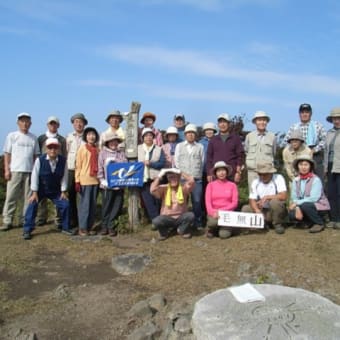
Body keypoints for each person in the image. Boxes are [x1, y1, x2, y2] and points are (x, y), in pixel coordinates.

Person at [22, 138, 75, 240]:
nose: (53, 150)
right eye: (50, 148)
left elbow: (64, 177)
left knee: (65, 204)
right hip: (41, 189)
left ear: (58, 149)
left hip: (55, 191)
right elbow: (34, 176)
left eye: (55, 148)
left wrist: (63, 191)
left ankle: (65, 227)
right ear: (46, 149)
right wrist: (34, 192)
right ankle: (27, 229)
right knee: (32, 204)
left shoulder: (63, 161)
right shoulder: (39, 160)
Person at [1, 113, 40, 231]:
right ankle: (7, 221)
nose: (25, 123)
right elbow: (7, 154)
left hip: (29, 171)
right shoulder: (12, 136)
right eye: (22, 121)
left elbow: (36, 156)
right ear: (18, 123)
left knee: (28, 198)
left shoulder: (33, 138)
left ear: (30, 123)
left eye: (27, 121)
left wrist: (35, 172)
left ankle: (25, 220)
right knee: (11, 196)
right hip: (15, 171)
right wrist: (7, 169)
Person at [36, 116, 67, 227]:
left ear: (58, 125)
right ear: (47, 125)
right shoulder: (41, 138)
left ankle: (57, 218)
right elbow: (38, 153)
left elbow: (64, 153)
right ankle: (41, 217)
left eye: (55, 124)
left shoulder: (62, 139)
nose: (53, 125)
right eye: (51, 124)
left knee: (57, 194)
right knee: (42, 196)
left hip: (57, 168)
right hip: (44, 168)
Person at [283, 103, 327, 181]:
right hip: (299, 153)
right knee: (299, 179)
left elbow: (325, 140)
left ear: (310, 113)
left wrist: (315, 149)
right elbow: (286, 141)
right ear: (299, 114)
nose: (304, 114)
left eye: (307, 112)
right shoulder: (294, 126)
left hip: (314, 153)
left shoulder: (317, 125)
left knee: (318, 180)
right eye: (302, 112)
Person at [241, 163, 287, 234]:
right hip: (262, 211)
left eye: (265, 174)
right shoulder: (255, 182)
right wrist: (256, 209)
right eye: (260, 174)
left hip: (275, 211)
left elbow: (283, 196)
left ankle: (278, 224)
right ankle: (259, 224)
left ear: (271, 173)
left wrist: (268, 197)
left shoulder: (278, 178)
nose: (262, 176)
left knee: (275, 202)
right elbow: (251, 199)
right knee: (245, 208)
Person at [150, 168, 195, 240]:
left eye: (175, 177)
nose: (173, 179)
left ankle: (181, 230)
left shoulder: (183, 188)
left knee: (190, 215)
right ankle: (164, 233)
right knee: (156, 221)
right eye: (170, 177)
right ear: (168, 179)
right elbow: (152, 190)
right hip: (167, 218)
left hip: (181, 217)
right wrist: (159, 176)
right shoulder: (164, 188)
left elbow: (192, 181)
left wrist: (180, 172)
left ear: (179, 178)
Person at [289, 155, 329, 233]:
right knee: (291, 213)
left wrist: (297, 203)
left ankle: (319, 223)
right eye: (301, 164)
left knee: (306, 205)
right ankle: (307, 222)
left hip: (318, 206)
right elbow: (294, 197)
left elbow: (314, 198)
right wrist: (297, 207)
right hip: (302, 206)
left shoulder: (316, 180)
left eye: (306, 165)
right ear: (298, 166)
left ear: (310, 167)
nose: (303, 167)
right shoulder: (296, 180)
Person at [175, 123, 205, 229]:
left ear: (195, 135)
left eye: (192, 133)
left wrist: (197, 175)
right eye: (188, 133)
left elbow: (202, 162)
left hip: (196, 179)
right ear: (185, 134)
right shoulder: (179, 146)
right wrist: (185, 175)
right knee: (182, 202)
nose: (190, 135)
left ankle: (198, 223)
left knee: (197, 202)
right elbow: (176, 163)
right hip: (183, 179)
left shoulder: (200, 146)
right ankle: (182, 223)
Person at [97, 132, 127, 236]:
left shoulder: (121, 153)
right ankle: (104, 226)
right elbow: (100, 168)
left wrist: (116, 161)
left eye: (115, 141)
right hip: (107, 185)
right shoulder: (102, 153)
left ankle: (111, 226)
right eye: (111, 141)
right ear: (108, 142)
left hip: (119, 184)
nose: (113, 143)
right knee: (106, 206)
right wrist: (102, 180)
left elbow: (125, 165)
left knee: (117, 206)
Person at [206, 113, 244, 184]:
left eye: (225, 122)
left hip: (232, 175)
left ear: (229, 124)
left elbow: (240, 156)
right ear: (218, 124)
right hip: (216, 175)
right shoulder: (213, 140)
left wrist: (238, 173)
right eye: (220, 122)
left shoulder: (236, 138)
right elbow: (209, 158)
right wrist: (209, 173)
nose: (222, 124)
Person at [75, 127, 100, 236]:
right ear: (86, 136)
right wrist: (77, 180)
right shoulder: (82, 148)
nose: (91, 136)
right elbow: (78, 165)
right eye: (89, 134)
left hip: (95, 180)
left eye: (93, 134)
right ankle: (82, 228)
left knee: (92, 206)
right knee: (84, 206)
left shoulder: (97, 149)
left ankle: (89, 227)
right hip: (84, 180)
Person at [138, 127, 165, 222]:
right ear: (143, 138)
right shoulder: (138, 149)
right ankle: (156, 220)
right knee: (148, 201)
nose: (148, 137)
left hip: (155, 178)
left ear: (153, 137)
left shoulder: (159, 149)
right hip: (143, 179)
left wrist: (151, 163)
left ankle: (159, 218)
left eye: (150, 135)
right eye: (146, 136)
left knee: (157, 200)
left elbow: (162, 163)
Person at [205, 161, 239, 239]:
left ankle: (227, 228)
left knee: (224, 235)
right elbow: (208, 203)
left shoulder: (233, 185)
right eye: (219, 171)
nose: (221, 173)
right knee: (212, 222)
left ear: (226, 172)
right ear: (215, 173)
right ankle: (212, 229)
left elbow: (234, 203)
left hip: (227, 213)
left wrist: (221, 211)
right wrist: (214, 212)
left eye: (223, 170)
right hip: (214, 213)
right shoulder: (210, 185)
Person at [244, 111, 276, 192]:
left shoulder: (272, 136)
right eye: (259, 120)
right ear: (255, 122)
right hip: (253, 170)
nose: (262, 122)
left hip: (267, 170)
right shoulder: (249, 136)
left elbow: (273, 152)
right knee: (253, 193)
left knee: (267, 193)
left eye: (264, 120)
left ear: (267, 122)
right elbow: (246, 151)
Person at [66, 112, 88, 229]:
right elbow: (66, 152)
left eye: (81, 122)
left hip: (84, 171)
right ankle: (72, 219)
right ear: (73, 124)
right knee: (71, 195)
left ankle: (82, 221)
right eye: (76, 122)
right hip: (71, 169)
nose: (79, 124)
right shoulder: (69, 137)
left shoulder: (88, 136)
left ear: (84, 124)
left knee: (82, 196)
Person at [324, 107, 340, 230]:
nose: (337, 121)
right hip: (330, 166)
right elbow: (326, 151)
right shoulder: (329, 133)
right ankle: (333, 218)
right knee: (331, 193)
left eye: (339, 118)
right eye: (335, 118)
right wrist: (325, 167)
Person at [199, 122, 217, 223]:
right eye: (207, 130)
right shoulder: (201, 142)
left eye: (211, 130)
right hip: (203, 171)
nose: (209, 132)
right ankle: (203, 215)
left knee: (214, 194)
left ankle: (213, 214)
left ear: (214, 131)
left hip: (215, 172)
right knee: (203, 194)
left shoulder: (217, 141)